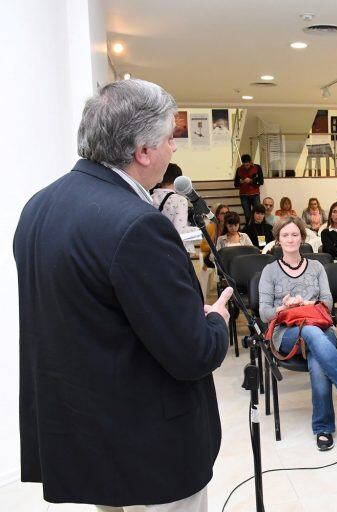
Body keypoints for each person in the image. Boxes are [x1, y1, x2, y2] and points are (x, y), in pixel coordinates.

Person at [14, 78, 233, 510]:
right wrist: (216, 321)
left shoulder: (38, 207)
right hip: (148, 449)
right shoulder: (137, 224)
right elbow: (193, 353)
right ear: (143, 152)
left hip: (88, 436)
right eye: (171, 138)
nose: (175, 150)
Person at [259, 217, 337, 450]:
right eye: (285, 235)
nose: (290, 239)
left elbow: (328, 304)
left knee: (317, 358)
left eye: (294, 234)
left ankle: (323, 429)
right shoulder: (269, 271)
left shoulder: (316, 267)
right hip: (286, 333)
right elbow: (264, 313)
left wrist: (306, 303)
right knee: (311, 333)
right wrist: (284, 308)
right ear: (278, 240)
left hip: (322, 327)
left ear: (302, 237)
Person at [151, 163, 190, 236]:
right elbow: (180, 232)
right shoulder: (180, 200)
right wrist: (200, 230)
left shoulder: (150, 197)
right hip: (172, 245)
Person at [233, 154, 264, 226]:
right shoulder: (239, 169)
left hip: (255, 194)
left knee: (258, 213)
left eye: (248, 165)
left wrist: (251, 181)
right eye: (244, 165)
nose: (246, 167)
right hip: (244, 195)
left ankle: (259, 228)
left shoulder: (257, 167)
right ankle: (249, 231)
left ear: (251, 162)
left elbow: (261, 181)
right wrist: (241, 182)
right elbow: (235, 184)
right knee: (247, 215)